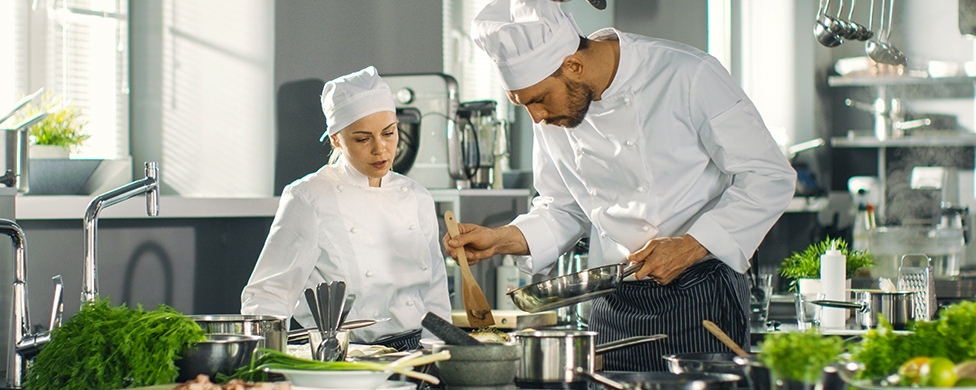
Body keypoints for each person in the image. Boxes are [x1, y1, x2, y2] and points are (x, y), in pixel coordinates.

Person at [444, 0, 797, 371]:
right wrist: (500, 239)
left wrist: (692, 246)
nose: (536, 116)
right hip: (611, 303)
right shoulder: (555, 112)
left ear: (573, 65)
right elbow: (563, 207)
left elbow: (769, 175)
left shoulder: (688, 75)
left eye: (538, 100)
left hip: (700, 294)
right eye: (522, 104)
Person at [241, 66, 451, 351]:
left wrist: (441, 359)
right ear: (336, 139)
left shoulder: (417, 196)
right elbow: (269, 293)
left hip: (416, 355)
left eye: (389, 133)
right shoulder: (309, 197)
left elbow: (435, 292)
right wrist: (264, 360)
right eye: (363, 139)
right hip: (343, 356)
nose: (381, 149)